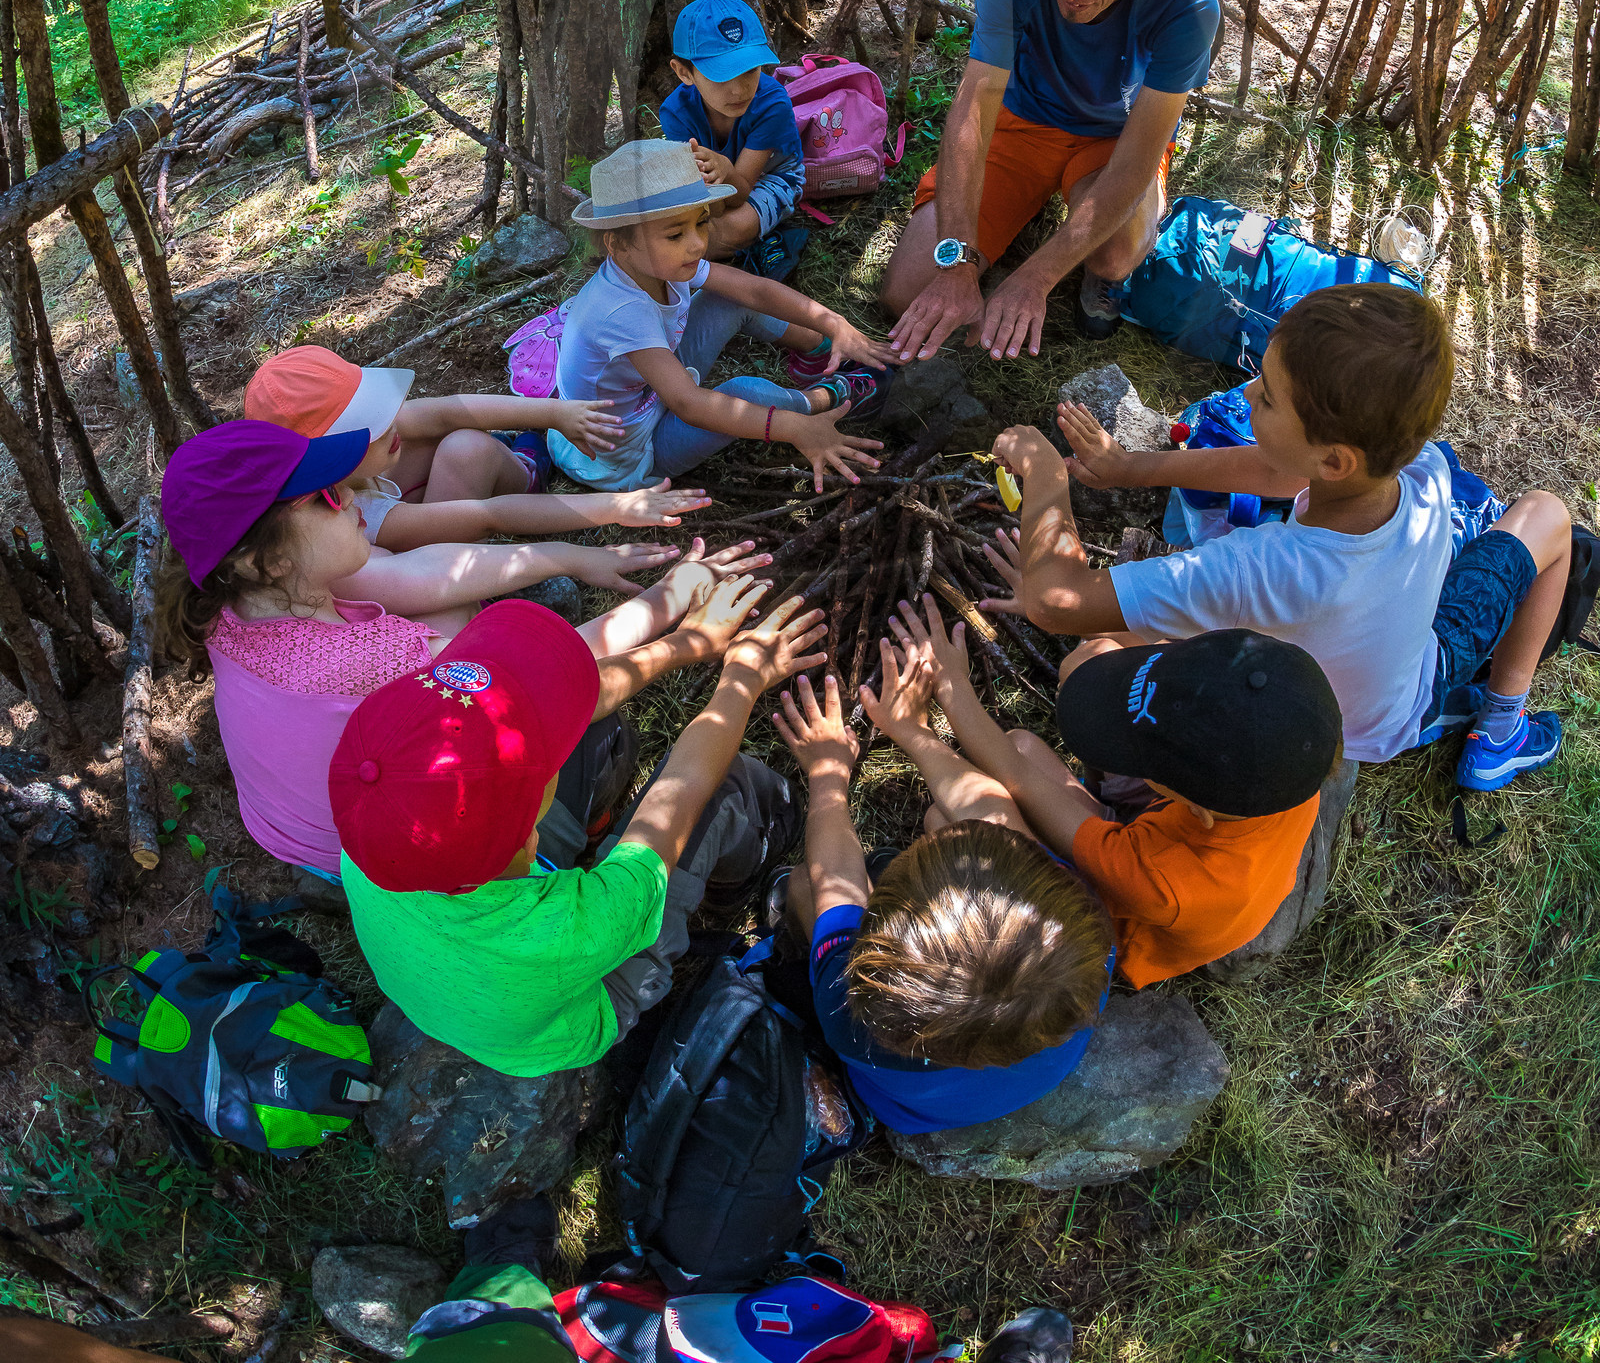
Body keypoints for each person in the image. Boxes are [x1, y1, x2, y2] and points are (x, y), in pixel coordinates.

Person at [986, 284, 1573, 790]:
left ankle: (1493, 730)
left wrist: (1043, 473)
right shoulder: (1422, 469)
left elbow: (1054, 602)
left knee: (1092, 657)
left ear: (1334, 460)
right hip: (1389, 670)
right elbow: (1279, 471)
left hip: (1362, 724)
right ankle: (1503, 726)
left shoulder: (1258, 570)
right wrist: (1129, 468)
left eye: (1265, 396)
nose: (1246, 396)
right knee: (1547, 514)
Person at [157, 417, 763, 878]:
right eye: (328, 497)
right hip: (375, 859)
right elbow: (552, 681)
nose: (354, 493)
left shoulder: (239, 598)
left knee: (450, 610)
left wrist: (571, 558)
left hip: (293, 832)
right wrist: (669, 603)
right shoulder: (366, 658)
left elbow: (432, 575)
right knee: (578, 732)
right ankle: (573, 831)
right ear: (266, 557)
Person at [330, 587, 824, 1075]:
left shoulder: (375, 829)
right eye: (541, 764)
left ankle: (592, 827)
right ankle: (736, 882)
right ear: (529, 837)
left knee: (578, 722)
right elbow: (686, 789)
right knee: (727, 785)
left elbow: (571, 702)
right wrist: (742, 677)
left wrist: (685, 643)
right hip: (583, 1001)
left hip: (471, 970)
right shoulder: (572, 926)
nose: (547, 747)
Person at [892, 596, 1341, 986]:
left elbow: (1015, 778)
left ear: (1193, 806)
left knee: (949, 819)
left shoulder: (1162, 881)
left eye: (1142, 758)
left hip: (1111, 918)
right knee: (1035, 728)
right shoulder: (1291, 754)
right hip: (1167, 840)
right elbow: (1146, 654)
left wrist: (953, 687)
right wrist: (1062, 603)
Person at [881, 0, 1218, 362]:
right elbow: (977, 101)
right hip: (1021, 124)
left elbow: (1139, 153)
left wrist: (1034, 278)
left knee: (1115, 256)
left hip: (1115, 135)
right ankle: (1031, 208)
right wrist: (956, 265)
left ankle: (1083, 256)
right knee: (906, 290)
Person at [771, 657, 1112, 1135]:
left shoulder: (850, 1013)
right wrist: (912, 732)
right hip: (1015, 1073)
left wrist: (828, 774)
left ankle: (786, 915)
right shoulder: (1074, 934)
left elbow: (835, 881)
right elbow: (992, 813)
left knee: (805, 885)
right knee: (944, 815)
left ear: (882, 948)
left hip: (910, 1109)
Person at [547, 140, 893, 497]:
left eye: (701, 223)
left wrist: (832, 324)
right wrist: (792, 428)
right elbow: (688, 403)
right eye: (676, 233)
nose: (697, 244)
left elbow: (754, 291)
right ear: (617, 243)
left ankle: (819, 354)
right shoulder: (621, 311)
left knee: (726, 298)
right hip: (628, 450)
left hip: (648, 393)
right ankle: (829, 399)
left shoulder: (654, 264)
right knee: (746, 392)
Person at [245, 344, 711, 552]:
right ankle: (528, 464)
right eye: (368, 428)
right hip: (434, 544)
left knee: (452, 434)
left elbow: (447, 410)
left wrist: (554, 414)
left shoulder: (364, 455)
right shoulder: (357, 517)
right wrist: (615, 506)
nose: (388, 424)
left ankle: (510, 446)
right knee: (467, 448)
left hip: (415, 497)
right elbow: (491, 515)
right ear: (329, 460)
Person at [659, 0, 807, 274]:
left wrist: (724, 172)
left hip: (772, 176)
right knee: (688, 232)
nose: (739, 90)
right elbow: (708, 202)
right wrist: (708, 195)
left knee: (727, 230)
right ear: (684, 72)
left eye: (750, 71)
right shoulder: (675, 114)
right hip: (721, 184)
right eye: (721, 76)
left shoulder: (772, 102)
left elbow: (738, 195)